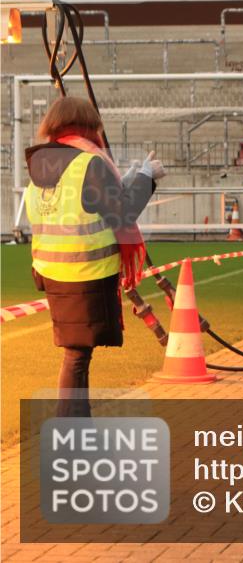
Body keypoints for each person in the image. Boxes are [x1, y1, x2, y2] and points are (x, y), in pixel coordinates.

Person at [24, 96, 163, 417]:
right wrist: (146, 177)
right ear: (88, 126)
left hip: (52, 271)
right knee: (77, 355)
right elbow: (123, 213)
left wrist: (128, 180)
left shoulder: (42, 165)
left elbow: (89, 204)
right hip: (87, 271)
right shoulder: (90, 162)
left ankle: (75, 424)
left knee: (77, 353)